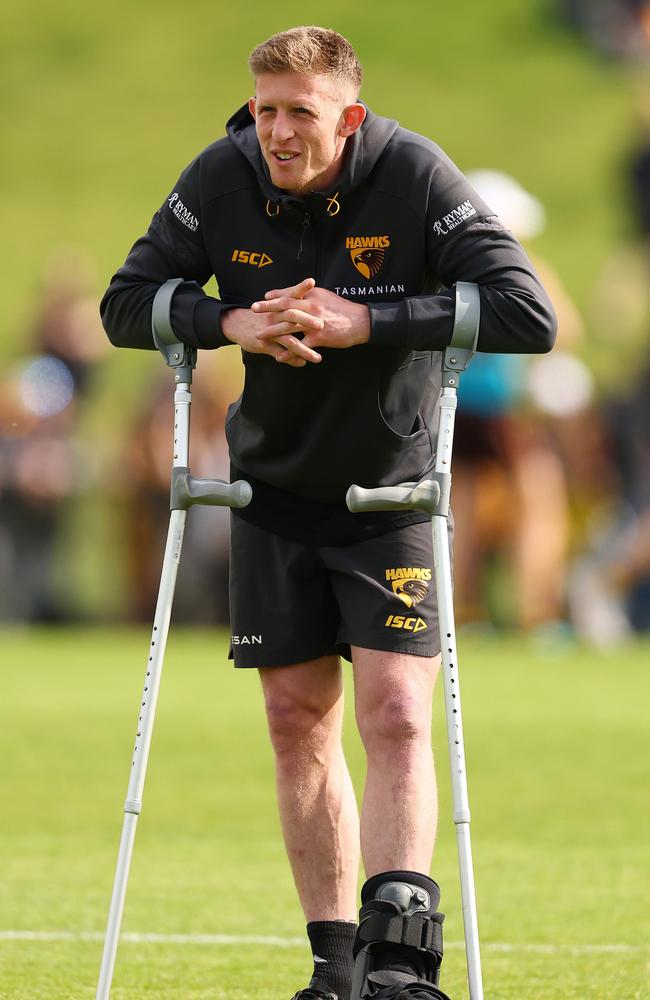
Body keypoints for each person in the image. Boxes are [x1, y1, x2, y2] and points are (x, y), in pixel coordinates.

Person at [100, 26, 556, 1000]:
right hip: (271, 490)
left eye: (297, 112)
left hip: (389, 490)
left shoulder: (414, 177)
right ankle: (335, 966)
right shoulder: (219, 178)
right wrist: (230, 321)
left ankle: (403, 958)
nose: (274, 131)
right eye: (262, 110)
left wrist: (368, 321)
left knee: (393, 710)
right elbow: (123, 302)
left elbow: (526, 313)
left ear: (345, 117)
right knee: (294, 718)